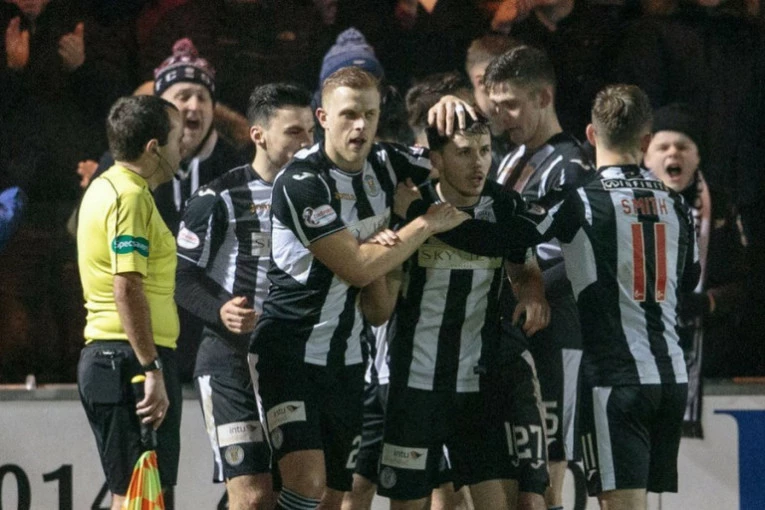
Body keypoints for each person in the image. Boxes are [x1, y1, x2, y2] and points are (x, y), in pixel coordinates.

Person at [247, 66, 471, 510]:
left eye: (369, 114)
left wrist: (453, 112)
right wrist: (423, 224)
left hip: (348, 359)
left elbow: (461, 161)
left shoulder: (386, 163)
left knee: (334, 498)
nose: (360, 126)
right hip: (288, 353)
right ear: (323, 118)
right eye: (349, 114)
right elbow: (357, 267)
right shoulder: (301, 181)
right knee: (306, 483)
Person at [378, 112, 552, 510]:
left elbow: (524, 268)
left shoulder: (504, 204)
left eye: (485, 150)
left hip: (479, 386)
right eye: (464, 152)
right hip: (413, 383)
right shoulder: (410, 201)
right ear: (436, 159)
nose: (478, 163)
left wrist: (533, 295)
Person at [550, 84, 698, 510]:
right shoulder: (677, 204)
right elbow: (688, 280)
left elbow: (521, 242)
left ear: (591, 135)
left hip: (615, 381)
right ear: (647, 141)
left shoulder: (582, 201)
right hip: (670, 378)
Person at [175, 83, 315, 510]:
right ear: (259, 135)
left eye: (311, 132)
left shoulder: (319, 194)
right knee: (252, 496)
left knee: (301, 487)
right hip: (229, 359)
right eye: (294, 132)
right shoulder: (218, 197)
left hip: (290, 358)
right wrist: (220, 310)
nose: (307, 143)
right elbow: (180, 278)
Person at [485, 45, 593, 510]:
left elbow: (575, 257)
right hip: (512, 332)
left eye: (510, 104)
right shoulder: (510, 159)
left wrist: (521, 289)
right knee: (515, 471)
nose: (500, 117)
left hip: (555, 328)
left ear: (544, 97)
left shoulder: (572, 165)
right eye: (495, 106)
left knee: (550, 464)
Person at [76, 95, 184, 510]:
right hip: (129, 362)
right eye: (177, 140)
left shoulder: (105, 186)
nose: (182, 149)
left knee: (142, 495)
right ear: (154, 148)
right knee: (139, 498)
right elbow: (126, 286)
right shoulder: (131, 197)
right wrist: (151, 367)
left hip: (116, 358)